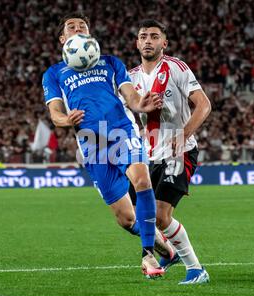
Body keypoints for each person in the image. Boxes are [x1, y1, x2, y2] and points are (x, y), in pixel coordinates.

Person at [42, 12, 172, 278]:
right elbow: (55, 113)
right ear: (63, 39)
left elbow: (131, 97)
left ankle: (148, 256)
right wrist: (66, 119)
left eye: (83, 26)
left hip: (122, 132)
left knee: (142, 181)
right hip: (92, 145)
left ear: (89, 36)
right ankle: (166, 248)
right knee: (126, 219)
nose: (78, 29)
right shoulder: (54, 74)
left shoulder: (111, 63)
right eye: (72, 27)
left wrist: (141, 105)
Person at [127, 19, 212, 284]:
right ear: (137, 43)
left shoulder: (176, 68)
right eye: (143, 36)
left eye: (154, 36)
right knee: (134, 217)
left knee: (161, 216)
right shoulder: (130, 79)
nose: (148, 40)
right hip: (147, 157)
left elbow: (204, 105)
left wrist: (184, 133)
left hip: (179, 153)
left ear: (164, 43)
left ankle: (196, 269)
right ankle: (170, 254)